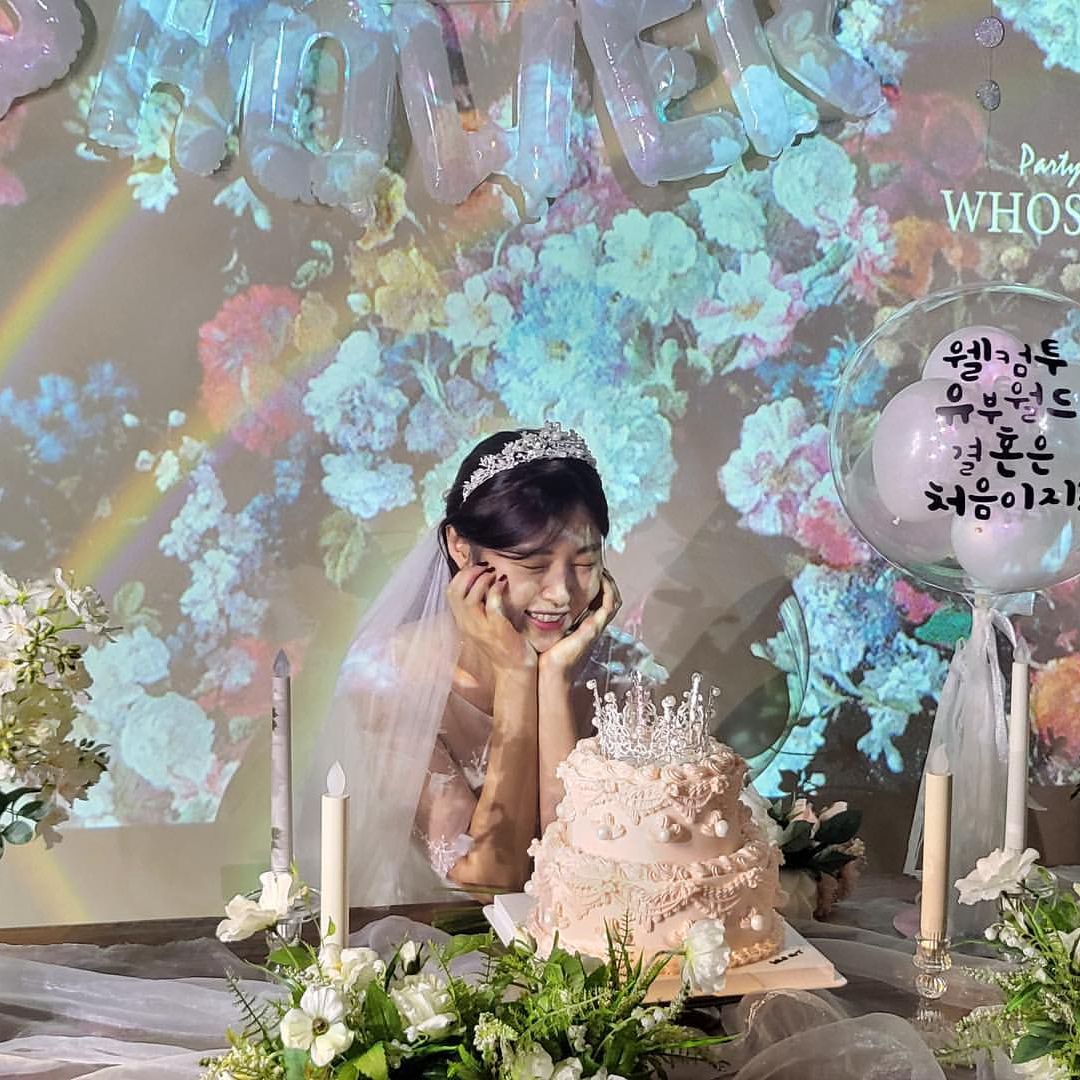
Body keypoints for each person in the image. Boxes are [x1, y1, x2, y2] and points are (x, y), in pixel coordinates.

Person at [299, 422, 622, 904]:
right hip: (439, 938)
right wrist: (515, 676)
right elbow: (491, 878)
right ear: (460, 547)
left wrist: (553, 680)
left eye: (584, 563)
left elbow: (580, 879)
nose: (561, 593)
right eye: (532, 564)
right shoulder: (388, 674)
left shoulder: (622, 675)